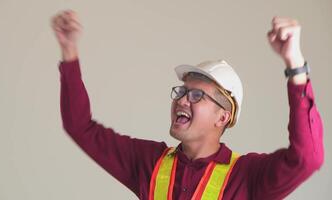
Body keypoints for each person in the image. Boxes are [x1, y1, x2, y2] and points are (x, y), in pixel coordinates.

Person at [52, 10, 324, 200]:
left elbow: (307, 159)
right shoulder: (148, 163)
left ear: (222, 117)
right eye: (182, 91)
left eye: (196, 96)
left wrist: (295, 65)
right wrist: (69, 53)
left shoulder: (248, 177)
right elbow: (80, 127)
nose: (182, 99)